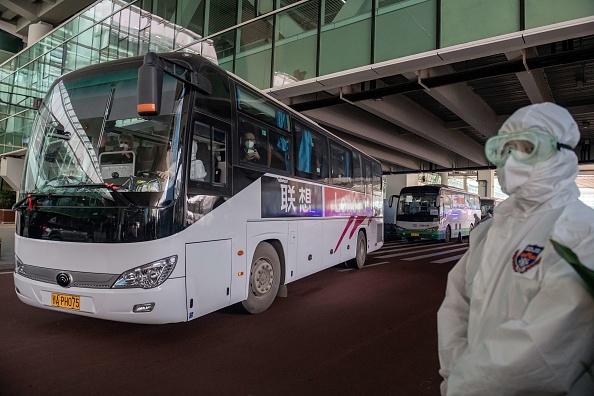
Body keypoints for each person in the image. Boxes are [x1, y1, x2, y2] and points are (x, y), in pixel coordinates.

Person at [437, 103, 594, 395]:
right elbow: (455, 307)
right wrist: (454, 374)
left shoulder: (582, 233)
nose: (511, 161)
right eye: (506, 150)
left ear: (561, 153)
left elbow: (545, 350)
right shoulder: (488, 233)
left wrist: (461, 385)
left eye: (526, 148)